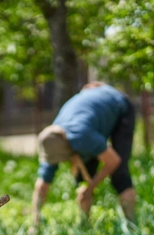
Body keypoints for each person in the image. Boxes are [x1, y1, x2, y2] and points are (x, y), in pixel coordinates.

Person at [32, 82, 137, 225]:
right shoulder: (52, 140)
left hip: (119, 105)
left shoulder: (80, 136)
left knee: (119, 174)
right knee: (83, 176)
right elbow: (42, 184)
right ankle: (85, 226)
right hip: (94, 114)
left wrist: (90, 188)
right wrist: (35, 222)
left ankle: (132, 226)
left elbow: (114, 161)